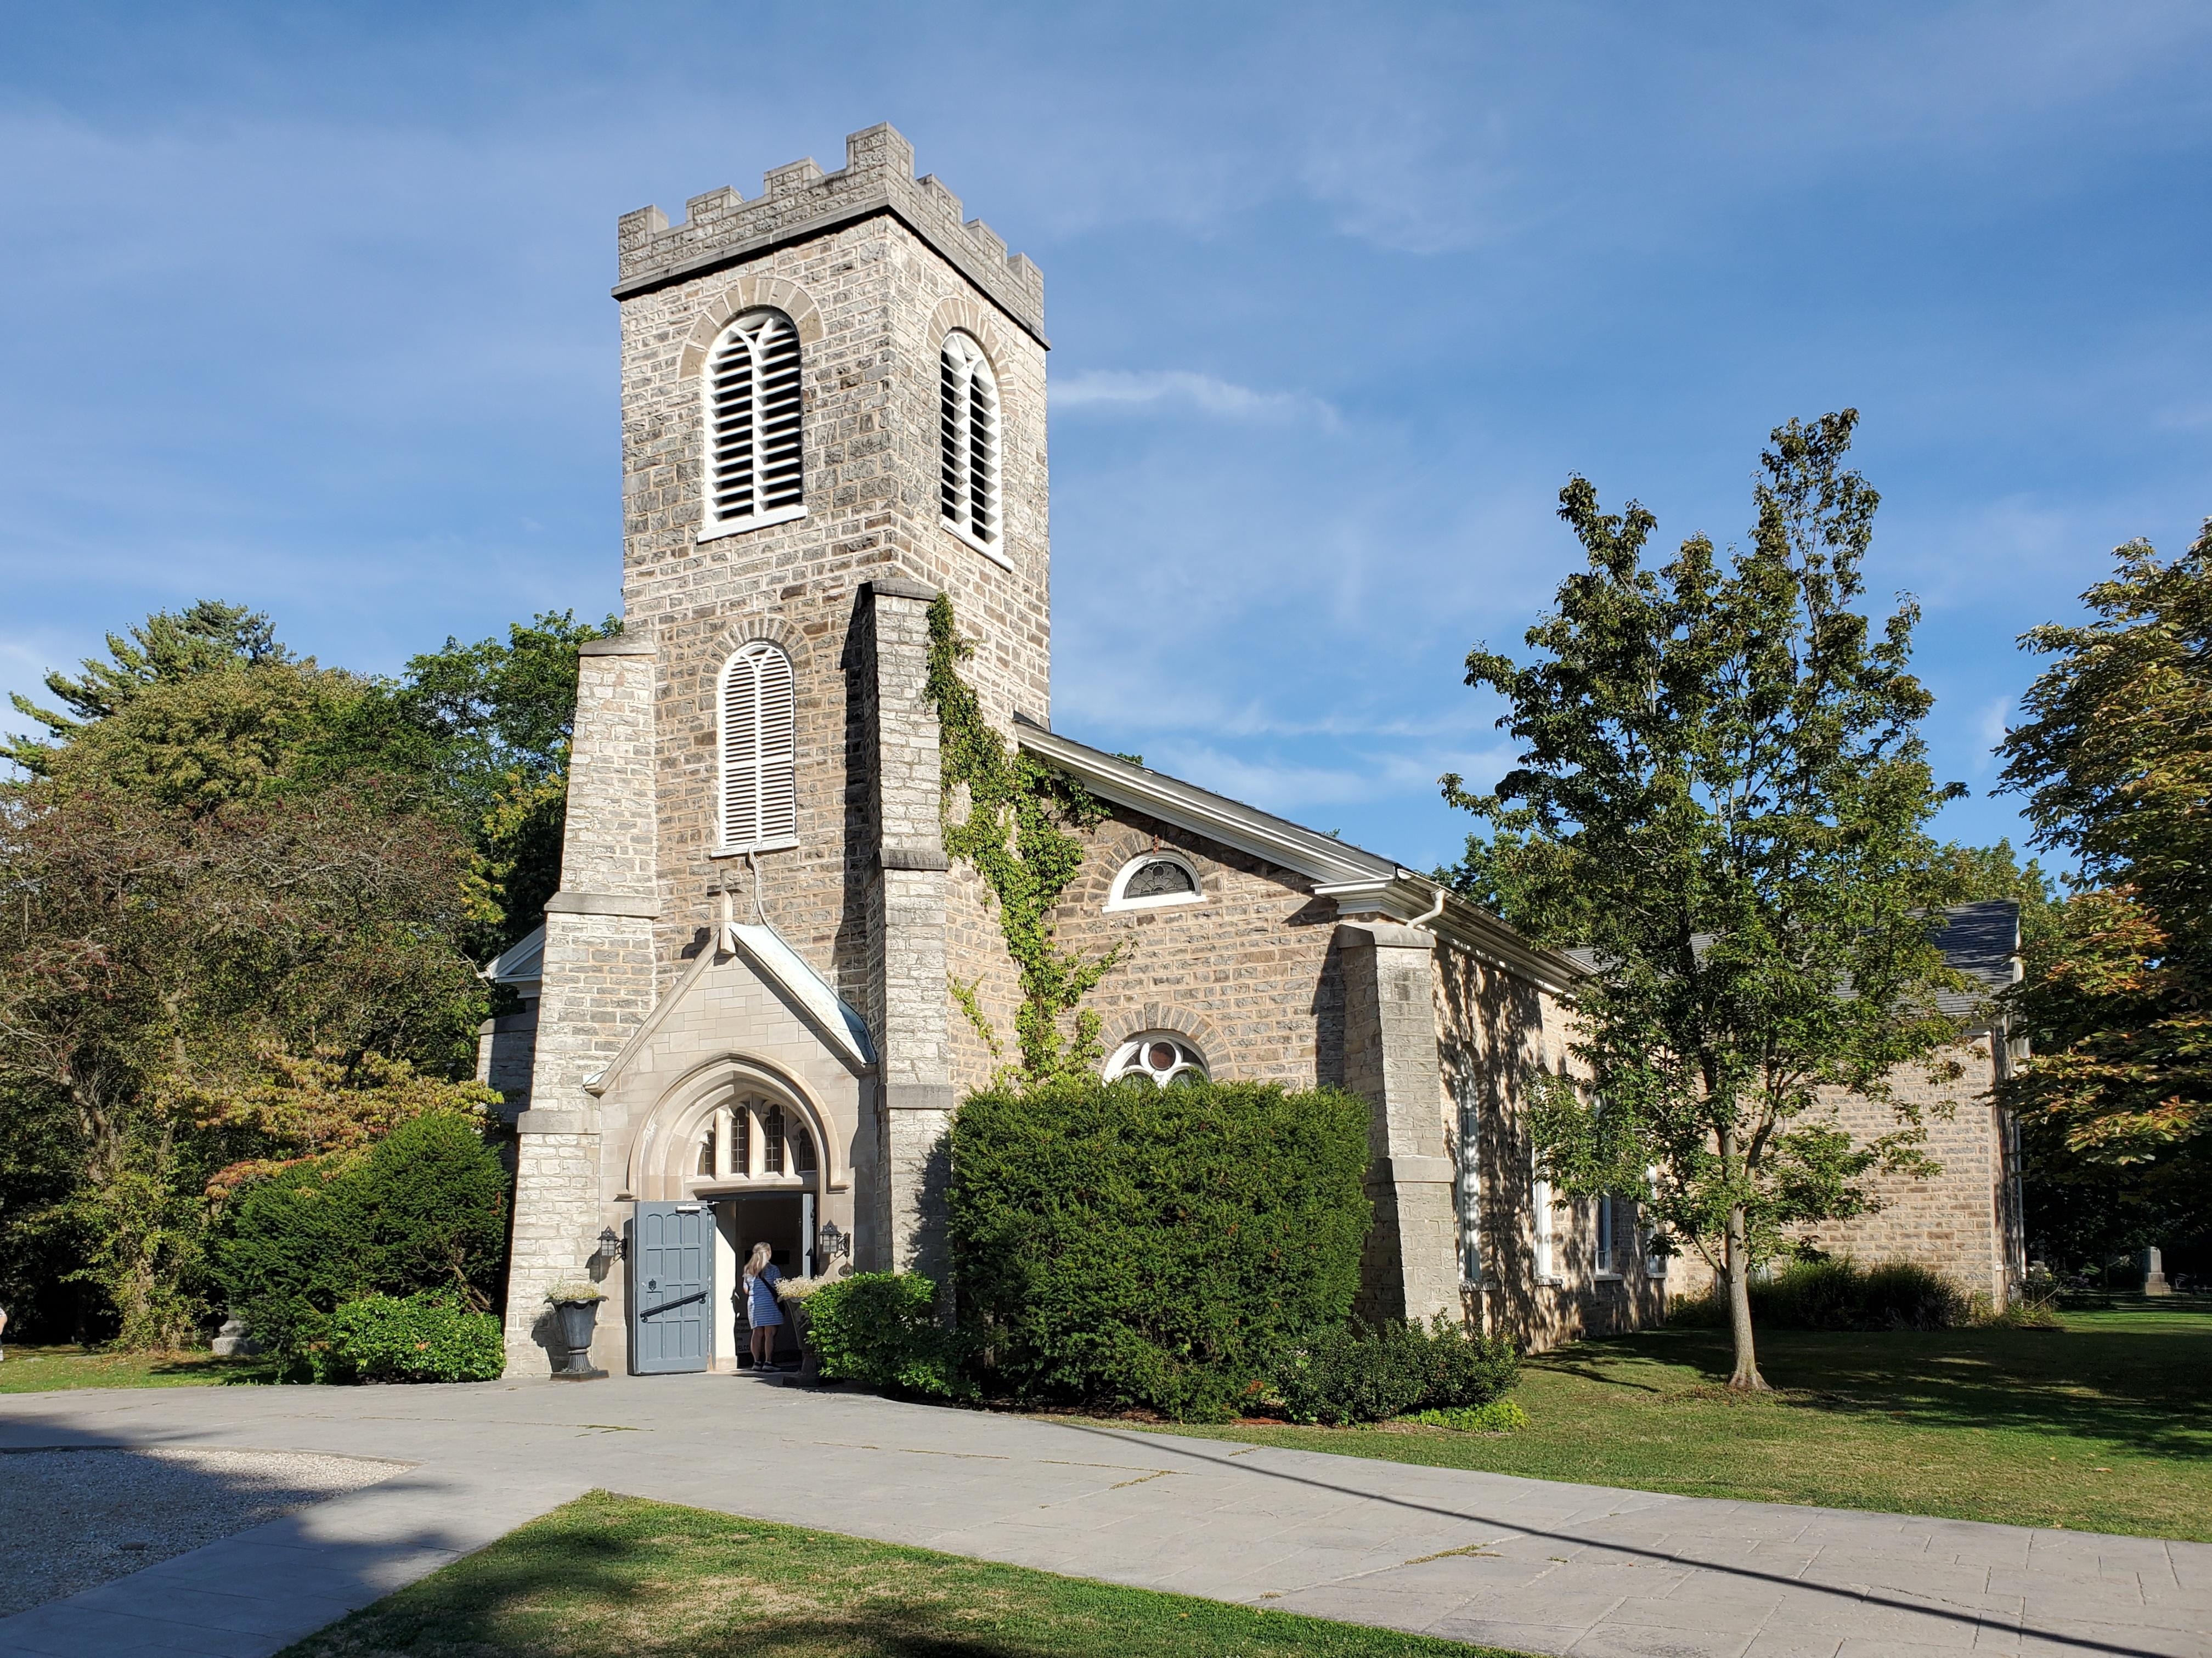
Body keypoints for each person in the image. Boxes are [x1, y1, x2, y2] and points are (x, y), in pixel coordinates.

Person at [742, 1243, 783, 1369]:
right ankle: (768, 1362)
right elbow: (779, 1287)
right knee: (770, 1333)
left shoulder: (748, 1270)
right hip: (769, 1303)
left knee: (757, 1333)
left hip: (754, 1305)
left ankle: (756, 1362)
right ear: (768, 1253)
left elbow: (746, 1290)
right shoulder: (773, 1269)